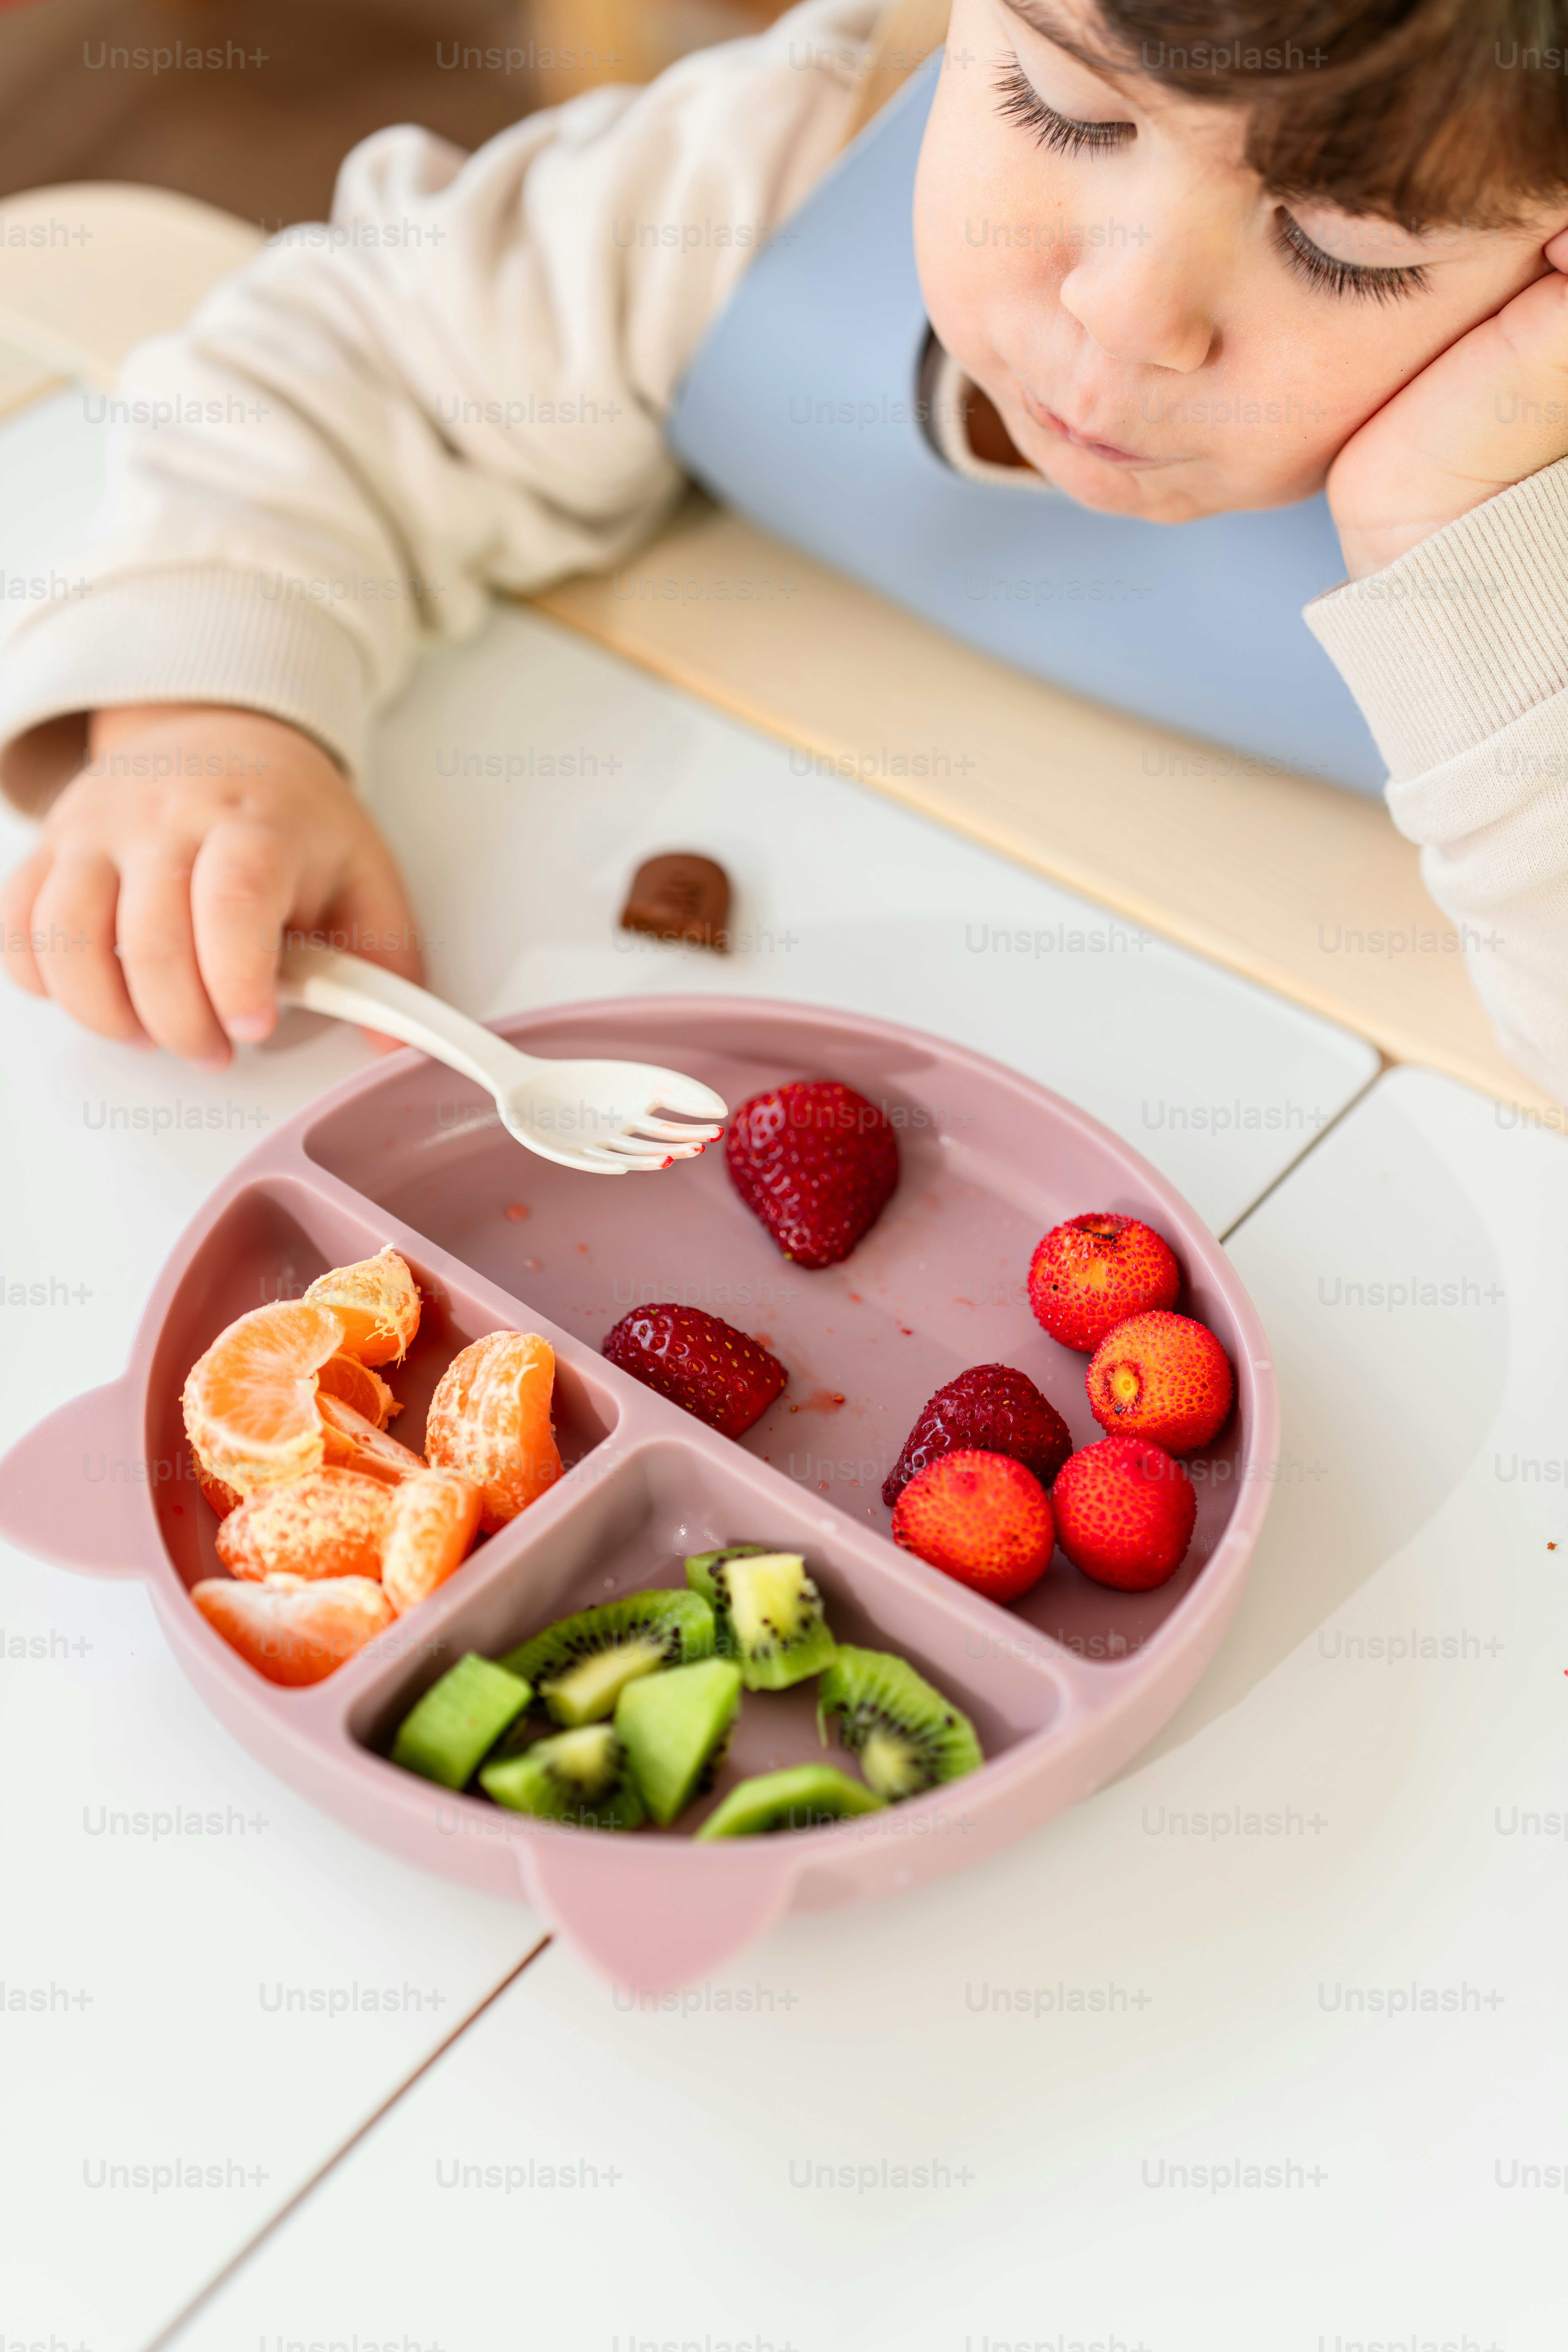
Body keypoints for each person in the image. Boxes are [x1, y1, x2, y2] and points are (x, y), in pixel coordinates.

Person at [2, 0, 1566, 1093]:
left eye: (1351, 248)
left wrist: (1464, 551)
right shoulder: (796, 151)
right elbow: (356, 352)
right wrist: (214, 707)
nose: (1122, 313)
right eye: (1062, 106)